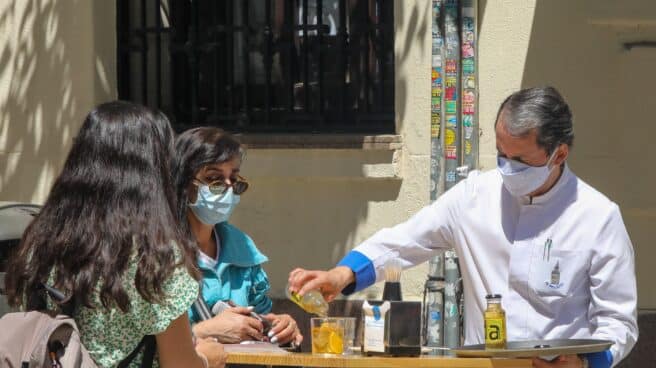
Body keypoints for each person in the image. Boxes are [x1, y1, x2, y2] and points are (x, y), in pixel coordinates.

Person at [288, 87, 638, 368]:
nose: (507, 168)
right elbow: (403, 242)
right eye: (501, 155)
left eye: (520, 161)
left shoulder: (597, 217)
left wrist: (586, 362)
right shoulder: (474, 196)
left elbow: (618, 321)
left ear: (559, 155)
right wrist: (341, 274)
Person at [5, 101, 226, 368]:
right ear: (155, 170)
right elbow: (179, 364)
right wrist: (208, 360)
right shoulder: (153, 256)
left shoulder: (43, 239)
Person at [171, 127, 303, 347]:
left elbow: (260, 318)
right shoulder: (160, 251)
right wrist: (203, 331)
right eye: (214, 179)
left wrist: (280, 327)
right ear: (184, 184)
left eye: (233, 178)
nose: (228, 188)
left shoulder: (242, 248)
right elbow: (145, 341)